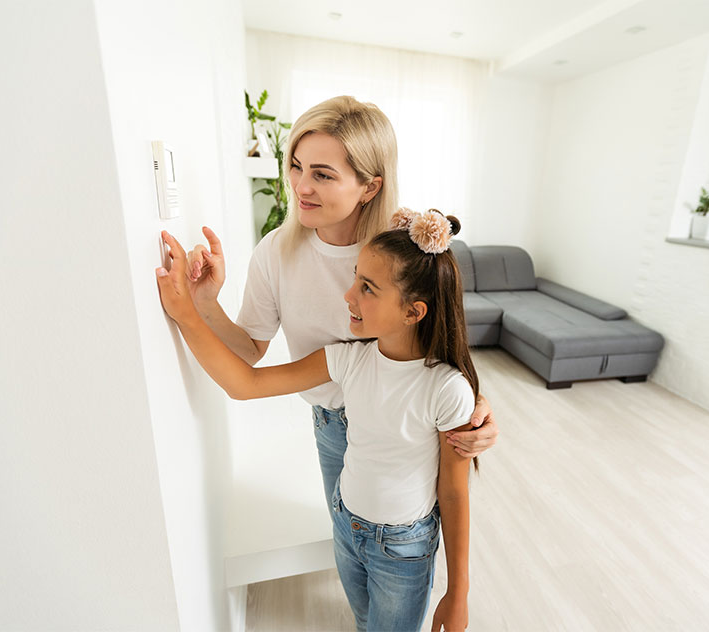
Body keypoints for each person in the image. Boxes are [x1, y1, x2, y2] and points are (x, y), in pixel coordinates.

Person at [156, 209, 475, 631]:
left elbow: (453, 495)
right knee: (365, 622)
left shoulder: (447, 390)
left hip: (403, 549)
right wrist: (188, 314)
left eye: (367, 288)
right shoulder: (348, 359)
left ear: (413, 312)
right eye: (355, 279)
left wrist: (458, 593)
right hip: (345, 523)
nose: (348, 295)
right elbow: (245, 383)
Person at [182, 95, 499, 509]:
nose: (301, 186)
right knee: (348, 532)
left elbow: (438, 341)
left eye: (323, 175)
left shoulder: (400, 252)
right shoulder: (276, 251)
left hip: (403, 424)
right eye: (296, 166)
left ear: (369, 186)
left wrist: (477, 406)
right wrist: (207, 303)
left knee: (405, 541)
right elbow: (250, 349)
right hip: (331, 424)